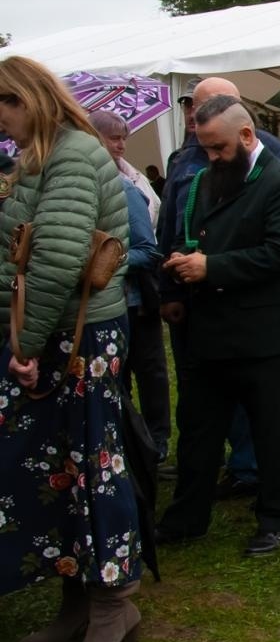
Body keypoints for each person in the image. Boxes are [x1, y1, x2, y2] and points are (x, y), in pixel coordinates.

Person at [0, 55, 138, 642]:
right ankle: (79, 595)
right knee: (59, 466)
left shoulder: (71, 156)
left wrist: (23, 347)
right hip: (61, 335)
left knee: (91, 464)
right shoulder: (46, 156)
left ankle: (113, 606)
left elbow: (55, 260)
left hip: (78, 337)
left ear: (23, 99)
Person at [156, 95, 280, 556]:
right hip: (210, 329)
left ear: (247, 136)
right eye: (203, 148)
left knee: (271, 432)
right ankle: (188, 516)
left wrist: (212, 268)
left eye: (218, 147)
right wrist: (185, 267)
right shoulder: (212, 178)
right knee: (199, 430)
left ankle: (275, 517)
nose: (210, 158)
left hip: (263, 335)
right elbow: (201, 235)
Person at [88, 110, 170, 463]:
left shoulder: (126, 186)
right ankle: (127, 439)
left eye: (123, 137)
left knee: (150, 375)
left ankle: (156, 443)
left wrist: (106, 265)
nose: (120, 144)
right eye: (113, 137)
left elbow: (148, 249)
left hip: (135, 302)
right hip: (107, 304)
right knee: (116, 380)